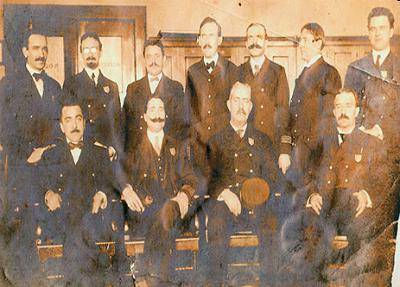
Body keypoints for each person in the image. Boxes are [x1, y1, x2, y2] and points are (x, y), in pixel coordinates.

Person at [281, 89, 393, 286]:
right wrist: (311, 194)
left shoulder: (371, 143)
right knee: (308, 233)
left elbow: (383, 177)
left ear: (357, 111)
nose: (343, 111)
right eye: (339, 106)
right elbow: (303, 174)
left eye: (348, 106)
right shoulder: (318, 143)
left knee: (365, 238)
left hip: (354, 207)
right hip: (325, 206)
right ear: (333, 112)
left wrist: (367, 195)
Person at [39, 100, 127, 286]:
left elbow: (111, 184)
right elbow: (38, 186)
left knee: (84, 232)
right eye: (69, 120)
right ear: (62, 127)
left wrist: (102, 194)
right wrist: (48, 194)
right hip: (62, 220)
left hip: (93, 219)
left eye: (78, 119)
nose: (74, 125)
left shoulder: (99, 153)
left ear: (85, 124)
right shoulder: (50, 155)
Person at [205, 82, 283, 286]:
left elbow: (274, 177)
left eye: (246, 101)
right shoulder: (216, 141)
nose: (241, 106)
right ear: (228, 104)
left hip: (257, 205)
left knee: (273, 226)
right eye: (236, 100)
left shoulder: (262, 140)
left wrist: (258, 192)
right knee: (216, 225)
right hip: (227, 206)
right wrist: (224, 193)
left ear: (251, 107)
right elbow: (207, 177)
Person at [0, 29, 62, 286]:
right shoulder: (9, 84)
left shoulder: (55, 86)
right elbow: (4, 126)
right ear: (25, 52)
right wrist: (28, 153)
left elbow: (60, 129)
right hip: (21, 171)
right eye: (35, 48)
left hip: (50, 170)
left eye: (44, 49)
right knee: (21, 235)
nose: (41, 54)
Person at [121, 97, 200, 286]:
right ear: (145, 117)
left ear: (165, 115)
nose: (157, 114)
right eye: (152, 110)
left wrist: (183, 195)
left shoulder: (177, 146)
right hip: (144, 214)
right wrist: (127, 189)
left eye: (160, 109)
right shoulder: (133, 147)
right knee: (163, 218)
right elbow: (120, 175)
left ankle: (147, 275)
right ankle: (158, 279)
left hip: (173, 212)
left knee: (168, 209)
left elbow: (190, 179)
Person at [286, 22, 342, 196]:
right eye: (300, 40)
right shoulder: (304, 73)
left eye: (305, 40)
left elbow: (327, 121)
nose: (300, 44)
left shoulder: (329, 73)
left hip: (316, 158)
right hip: (300, 158)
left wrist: (302, 151)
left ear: (318, 43)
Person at [185, 16, 239, 173]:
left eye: (211, 35)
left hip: (225, 145)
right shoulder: (192, 71)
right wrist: (197, 134)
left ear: (220, 40)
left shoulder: (232, 70)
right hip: (199, 146)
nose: (207, 40)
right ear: (198, 40)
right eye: (203, 36)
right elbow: (189, 108)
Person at [239, 22, 291, 173]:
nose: (255, 42)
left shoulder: (278, 72)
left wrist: (284, 150)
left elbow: (284, 114)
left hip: (271, 146)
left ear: (266, 42)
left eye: (259, 37)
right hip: (244, 146)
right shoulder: (238, 71)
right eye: (251, 37)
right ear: (246, 43)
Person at [63, 32, 122, 160]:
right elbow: (67, 121)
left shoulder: (112, 86)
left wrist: (113, 148)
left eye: (94, 49)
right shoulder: (71, 84)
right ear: (81, 53)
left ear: (100, 52)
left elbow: (117, 124)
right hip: (82, 152)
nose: (90, 54)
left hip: (107, 153)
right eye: (86, 50)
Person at [123, 39, 186, 155]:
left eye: (157, 56)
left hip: (168, 155)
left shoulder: (176, 88)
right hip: (140, 156)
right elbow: (126, 127)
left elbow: (182, 127)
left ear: (164, 59)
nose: (153, 61)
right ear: (144, 60)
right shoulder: (132, 89)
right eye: (149, 57)